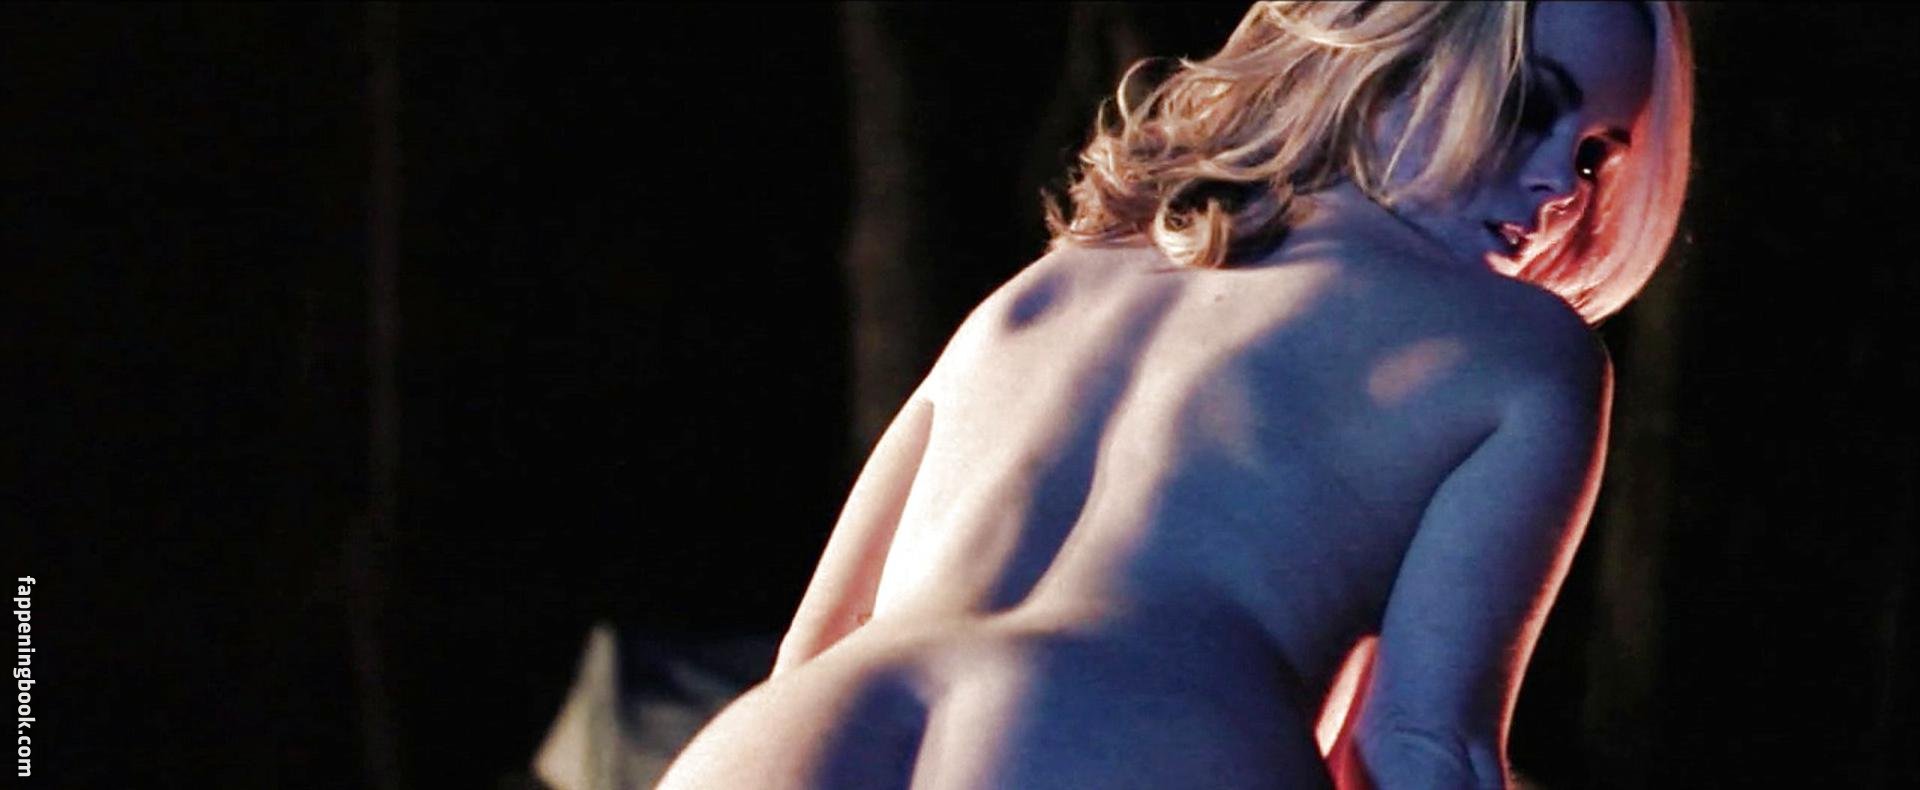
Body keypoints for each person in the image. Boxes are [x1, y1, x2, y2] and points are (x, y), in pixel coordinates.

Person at [658, 1, 1692, 787]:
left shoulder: (1043, 291)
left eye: (1594, 154)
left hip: (785, 742)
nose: (1560, 185)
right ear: (1386, 58)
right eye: (1527, 106)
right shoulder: (1519, 349)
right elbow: (1421, 745)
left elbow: (815, 644)